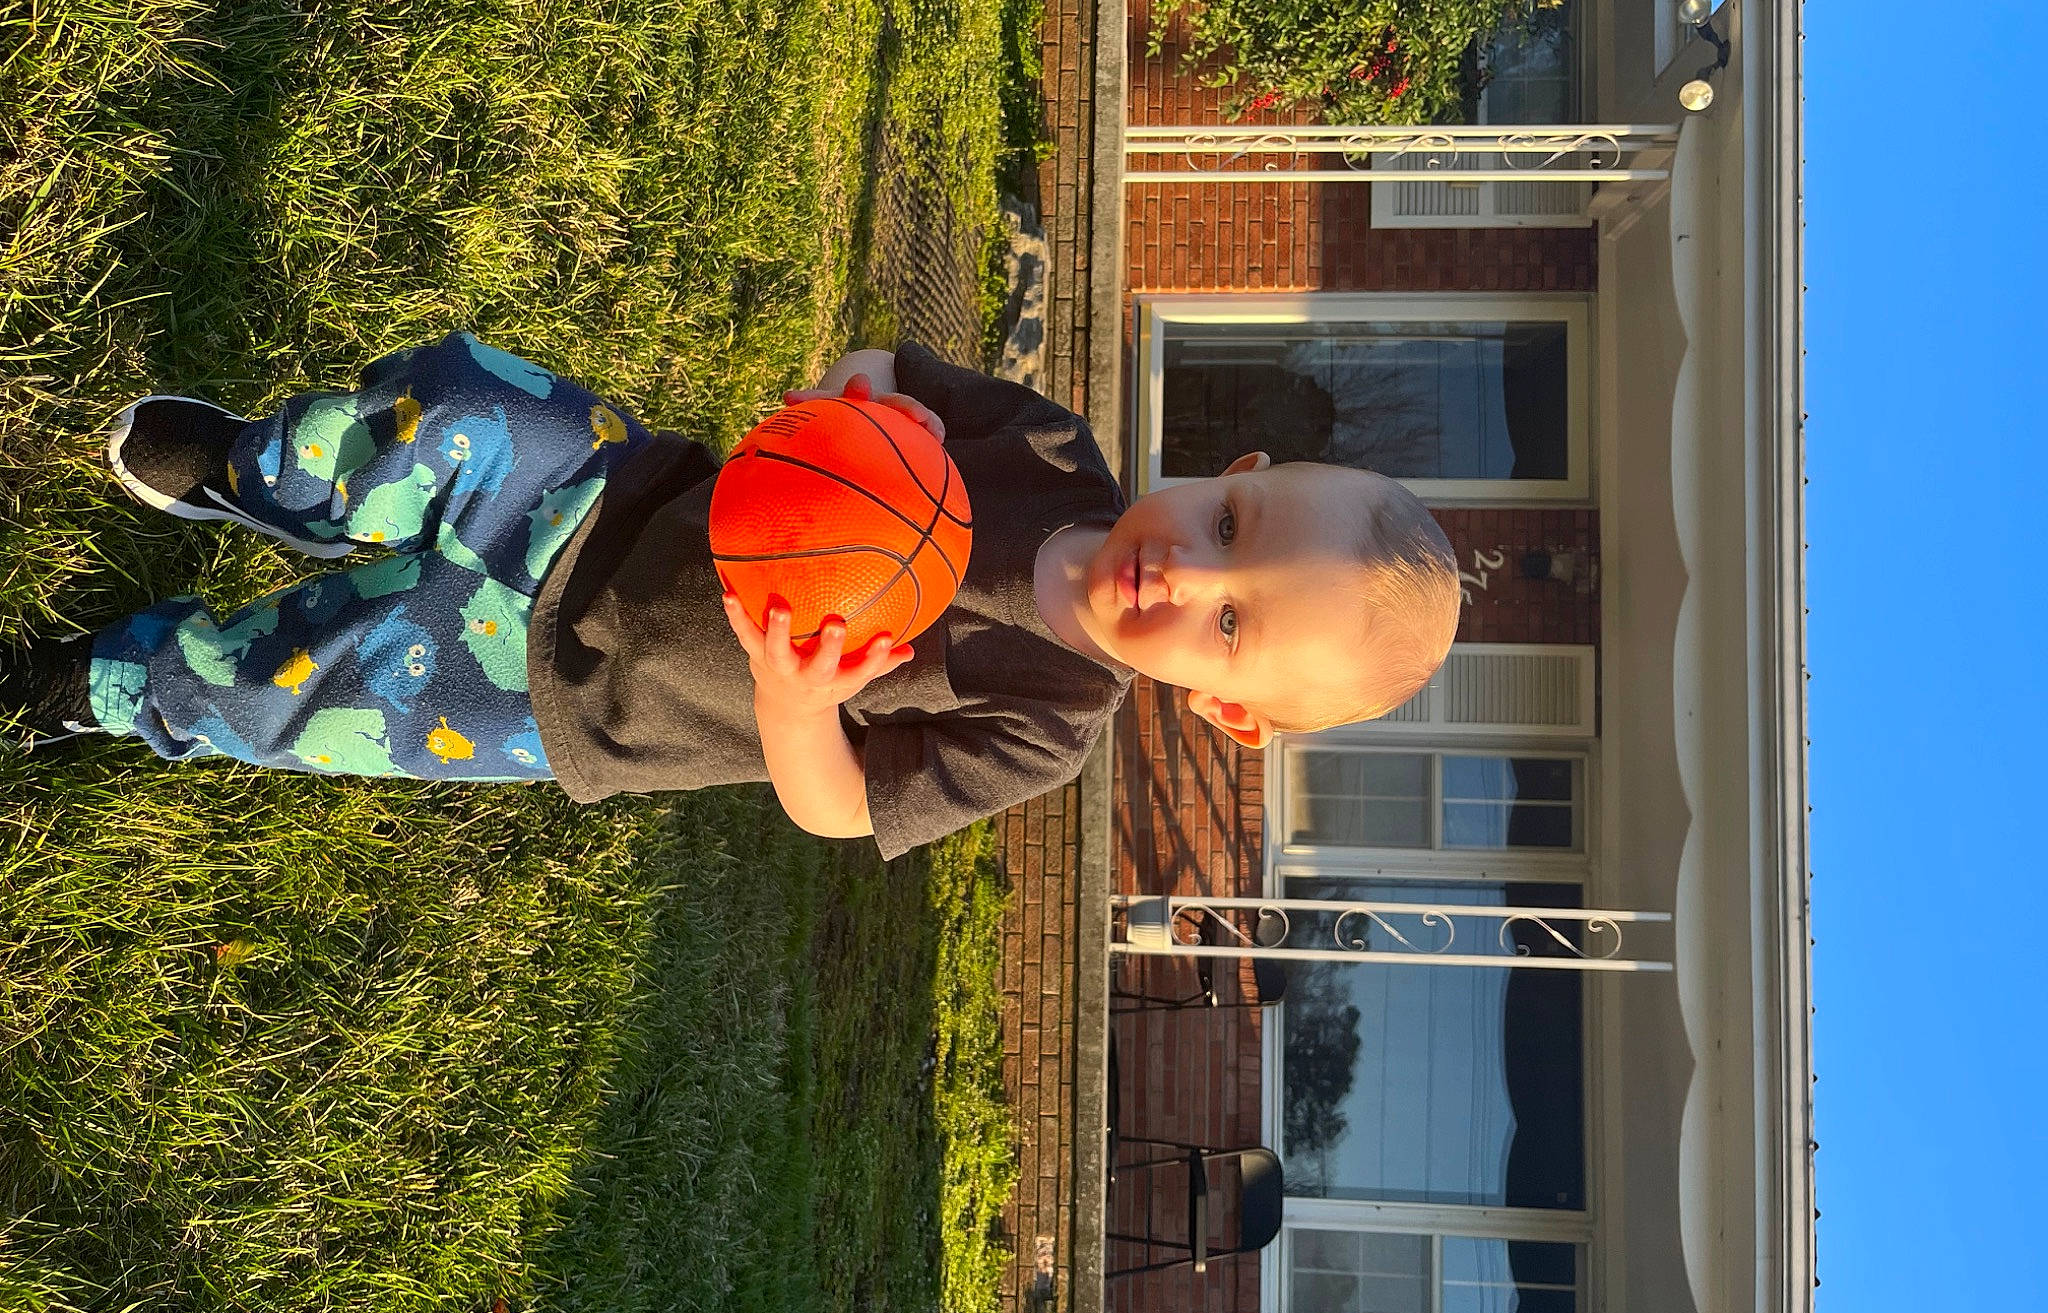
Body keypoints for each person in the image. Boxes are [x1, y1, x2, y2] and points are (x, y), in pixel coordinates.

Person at [0, 332, 1461, 858]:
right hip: (604, 494)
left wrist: (795, 702)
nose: (1187, 569)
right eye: (1227, 521)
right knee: (454, 400)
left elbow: (839, 809)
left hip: (565, 699)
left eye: (1230, 621)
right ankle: (276, 475)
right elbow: (889, 374)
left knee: (284, 691)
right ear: (1234, 465)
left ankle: (100, 686)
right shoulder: (1050, 448)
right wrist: (845, 420)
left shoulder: (1044, 722)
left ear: (1230, 714)